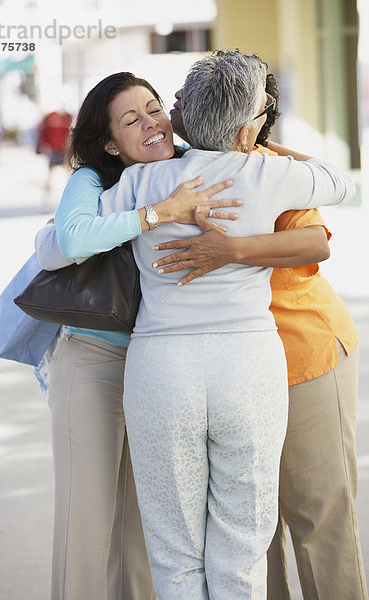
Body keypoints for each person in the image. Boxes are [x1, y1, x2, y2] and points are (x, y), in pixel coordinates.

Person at [50, 51, 354, 599]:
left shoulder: (142, 183)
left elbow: (68, 239)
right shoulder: (265, 171)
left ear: (185, 113)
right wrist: (251, 142)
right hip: (248, 367)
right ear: (246, 123)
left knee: (174, 552)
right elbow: (337, 181)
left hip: (162, 370)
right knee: (242, 546)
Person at [153, 63, 368, 600]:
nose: (173, 106)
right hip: (227, 374)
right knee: (244, 532)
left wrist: (230, 251)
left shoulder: (272, 169)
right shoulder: (163, 171)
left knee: (318, 515)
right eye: (177, 96)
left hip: (302, 356)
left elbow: (315, 241)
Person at [35, 72, 243, 600]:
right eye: (132, 120)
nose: (152, 123)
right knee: (86, 523)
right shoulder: (94, 180)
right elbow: (66, 241)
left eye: (154, 108)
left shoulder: (185, 162)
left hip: (158, 368)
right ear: (109, 142)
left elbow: (249, 149)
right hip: (94, 359)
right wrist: (158, 214)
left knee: (142, 531)